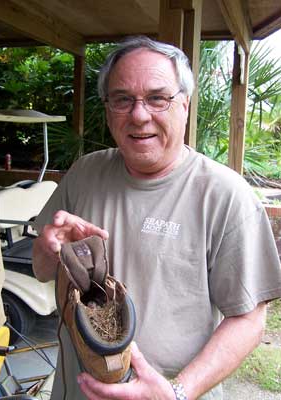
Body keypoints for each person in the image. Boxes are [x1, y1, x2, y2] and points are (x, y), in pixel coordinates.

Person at [33, 36, 281, 400]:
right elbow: (42, 269)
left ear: (184, 103)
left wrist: (177, 392)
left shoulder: (225, 195)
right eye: (122, 99)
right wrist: (48, 248)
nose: (138, 114)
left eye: (157, 98)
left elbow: (248, 318)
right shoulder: (85, 173)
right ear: (108, 108)